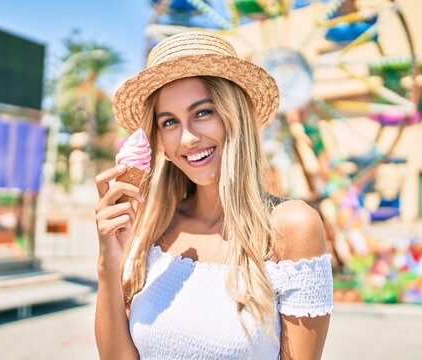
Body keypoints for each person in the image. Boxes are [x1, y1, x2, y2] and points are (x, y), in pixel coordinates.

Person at [94, 31, 333, 360]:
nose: (188, 138)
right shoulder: (152, 227)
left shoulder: (291, 228)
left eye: (203, 112)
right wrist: (109, 261)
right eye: (169, 122)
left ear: (234, 114)